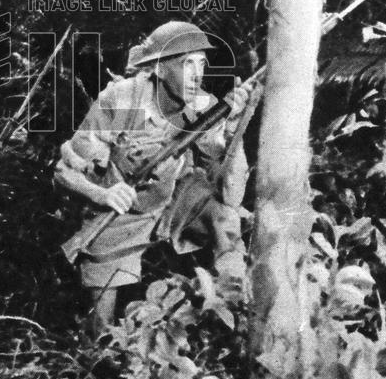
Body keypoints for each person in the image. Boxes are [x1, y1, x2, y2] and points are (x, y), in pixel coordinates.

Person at [55, 21, 250, 336]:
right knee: (101, 328)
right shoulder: (122, 100)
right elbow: (64, 171)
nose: (197, 74)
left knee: (225, 219)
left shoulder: (203, 106)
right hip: (120, 213)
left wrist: (235, 127)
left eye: (202, 62)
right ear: (159, 69)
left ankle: (236, 316)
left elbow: (232, 195)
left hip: (173, 199)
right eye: (186, 63)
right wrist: (102, 195)